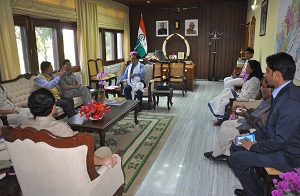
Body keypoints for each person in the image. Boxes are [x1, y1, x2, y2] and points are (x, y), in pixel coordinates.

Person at [229, 52, 300, 196]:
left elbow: (281, 141)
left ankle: (256, 193)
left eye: (267, 71)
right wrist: (248, 139)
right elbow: (268, 128)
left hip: (287, 155)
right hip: (275, 144)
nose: (265, 74)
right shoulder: (282, 93)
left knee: (236, 160)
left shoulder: (290, 101)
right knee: (236, 146)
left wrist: (254, 146)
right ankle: (254, 188)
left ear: (277, 74)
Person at [21, 88, 117, 167]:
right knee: (106, 151)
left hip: (38, 170)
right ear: (54, 108)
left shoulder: (23, 125)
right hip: (68, 173)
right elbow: (82, 156)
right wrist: (104, 161)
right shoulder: (62, 129)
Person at [204, 78, 273, 163]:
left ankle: (221, 155)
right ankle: (224, 152)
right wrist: (245, 110)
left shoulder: (273, 105)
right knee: (226, 123)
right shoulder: (266, 99)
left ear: (271, 89)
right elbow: (256, 111)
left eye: (263, 86)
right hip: (250, 123)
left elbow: (261, 126)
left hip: (256, 131)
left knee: (226, 131)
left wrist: (246, 114)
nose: (260, 88)